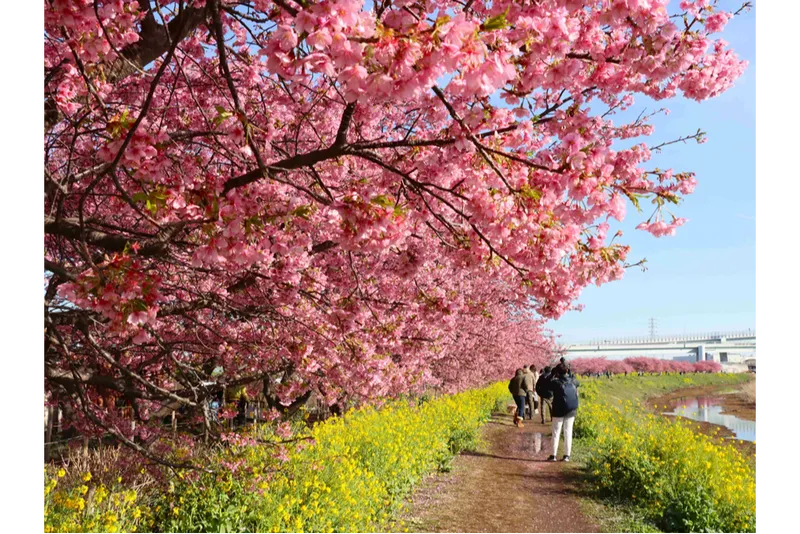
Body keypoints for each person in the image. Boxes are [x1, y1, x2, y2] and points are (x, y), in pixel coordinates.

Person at [545, 363, 580, 462]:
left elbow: (547, 384)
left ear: (557, 372)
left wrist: (552, 374)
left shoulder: (555, 382)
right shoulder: (573, 381)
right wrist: (570, 372)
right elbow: (578, 382)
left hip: (558, 410)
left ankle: (553, 455)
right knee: (568, 432)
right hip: (571, 410)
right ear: (567, 371)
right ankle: (566, 456)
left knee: (556, 432)